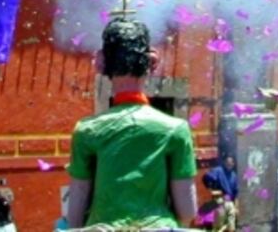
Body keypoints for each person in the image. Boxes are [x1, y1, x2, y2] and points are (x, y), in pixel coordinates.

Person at [65, 17, 197, 229]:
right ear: (152, 62)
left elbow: (75, 214)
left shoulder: (86, 130)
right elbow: (188, 211)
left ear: (100, 62)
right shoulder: (175, 129)